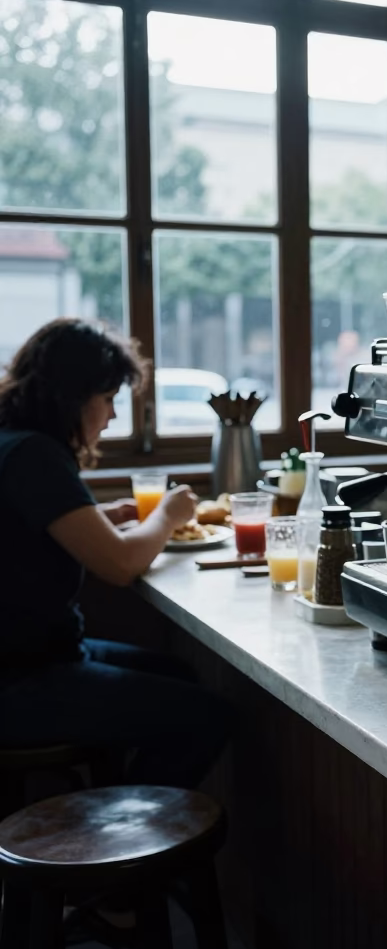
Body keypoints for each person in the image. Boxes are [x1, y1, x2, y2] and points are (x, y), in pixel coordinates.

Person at [0, 318, 228, 789]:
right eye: (108, 400)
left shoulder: (14, 444)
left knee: (179, 674)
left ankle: (117, 804)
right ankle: (131, 831)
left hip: (36, 657)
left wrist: (107, 514)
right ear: (73, 397)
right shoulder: (35, 456)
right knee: (204, 715)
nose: (112, 417)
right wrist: (166, 515)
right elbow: (121, 566)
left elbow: (29, 528)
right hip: (20, 680)